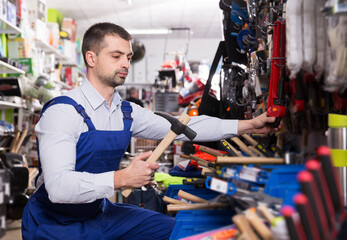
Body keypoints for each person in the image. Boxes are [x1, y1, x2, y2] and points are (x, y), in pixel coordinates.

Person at [21, 22, 277, 240]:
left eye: (129, 57)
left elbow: (185, 127)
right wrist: (123, 178)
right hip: (53, 223)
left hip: (98, 213)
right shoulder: (63, 112)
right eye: (116, 56)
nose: (125, 64)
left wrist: (249, 125)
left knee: (176, 231)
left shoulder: (126, 112)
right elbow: (59, 187)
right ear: (91, 58)